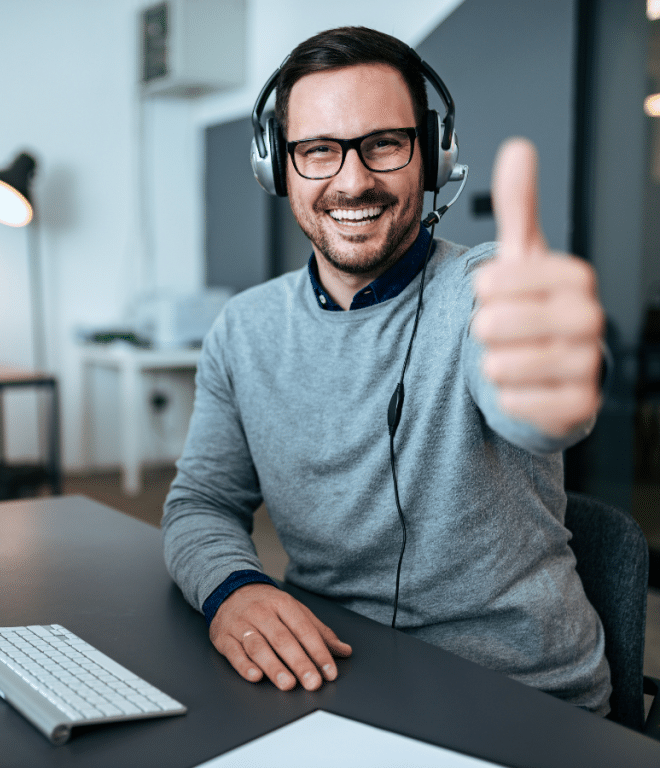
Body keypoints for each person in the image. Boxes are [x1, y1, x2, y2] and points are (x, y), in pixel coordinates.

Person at [161, 26, 611, 714]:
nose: (353, 180)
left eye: (384, 144)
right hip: (331, 678)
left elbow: (530, 393)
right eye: (317, 150)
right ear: (276, 168)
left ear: (431, 156)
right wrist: (233, 588)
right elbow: (201, 504)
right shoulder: (243, 329)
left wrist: (553, 392)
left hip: (521, 698)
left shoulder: (483, 288)